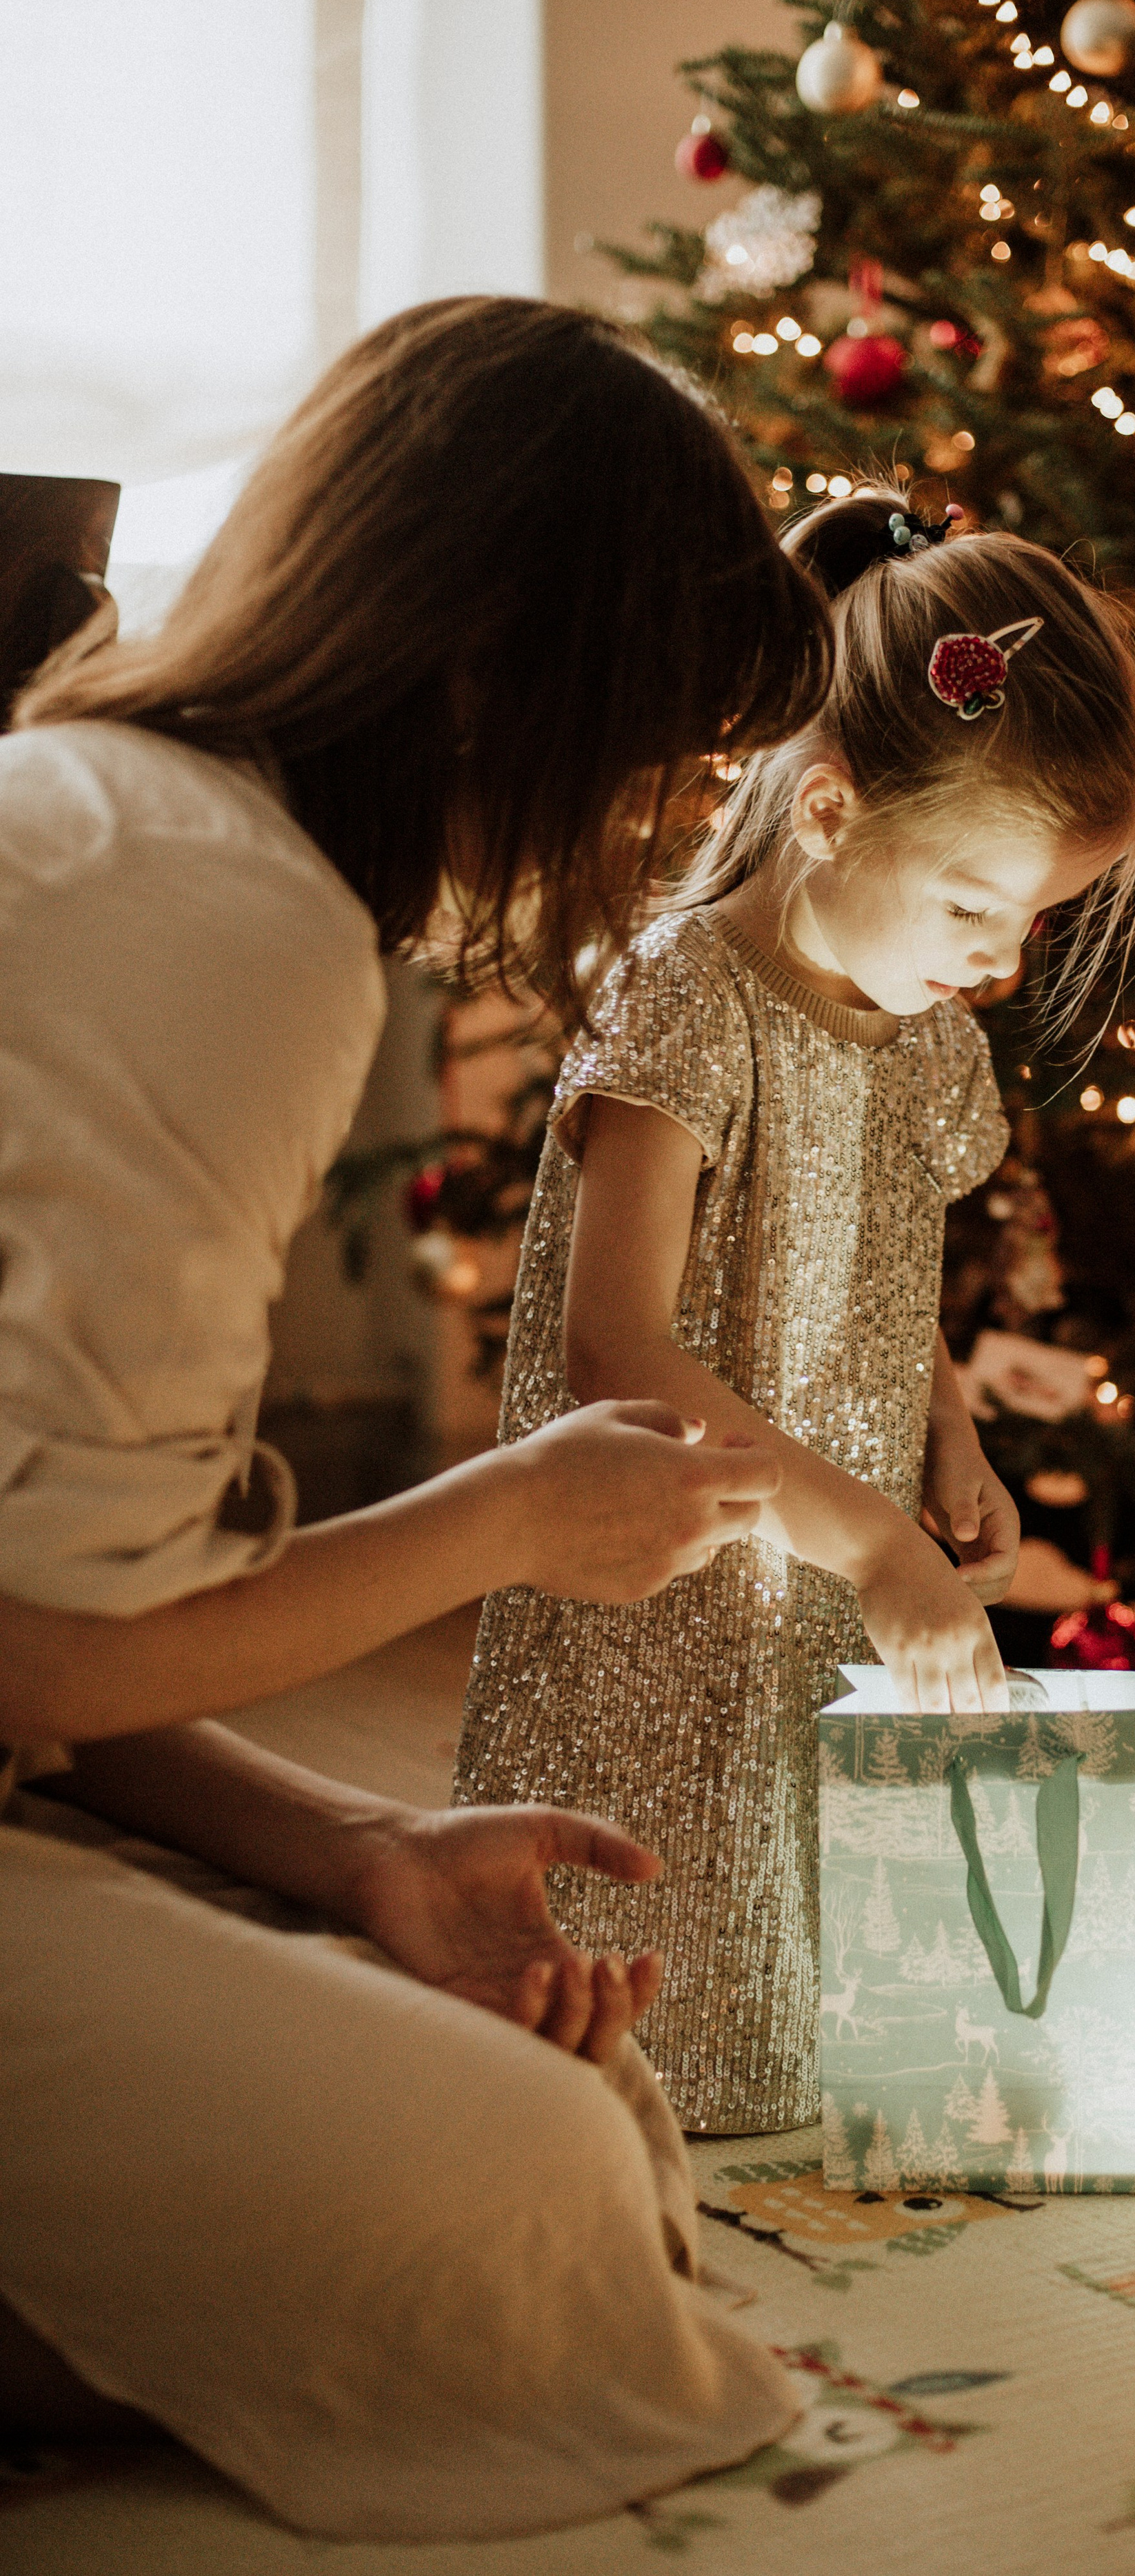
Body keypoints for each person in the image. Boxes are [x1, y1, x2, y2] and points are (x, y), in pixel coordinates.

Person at [0, 296, 838, 2541]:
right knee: (535, 2195)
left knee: (555, 2111)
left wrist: (350, 1849)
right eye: (655, 770)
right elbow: (60, 1656)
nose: (651, 842)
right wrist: (519, 1518)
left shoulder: (107, 810)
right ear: (500, 670)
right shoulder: (210, 909)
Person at [455, 489, 1135, 2136]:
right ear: (830, 810)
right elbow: (616, 1352)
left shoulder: (920, 1042)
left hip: (824, 1534)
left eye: (1033, 922)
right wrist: (871, 1542)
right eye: (974, 905)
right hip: (663, 1568)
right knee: (645, 1936)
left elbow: (868, 1265)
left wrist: (946, 1424)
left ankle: (795, 2096)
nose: (997, 960)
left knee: (803, 1880)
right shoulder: (684, 995)